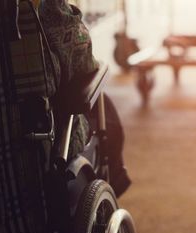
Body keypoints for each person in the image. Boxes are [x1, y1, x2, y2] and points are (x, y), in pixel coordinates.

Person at [38, 0, 131, 197]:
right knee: (99, 99)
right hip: (48, 145)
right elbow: (84, 64)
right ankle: (114, 179)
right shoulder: (45, 10)